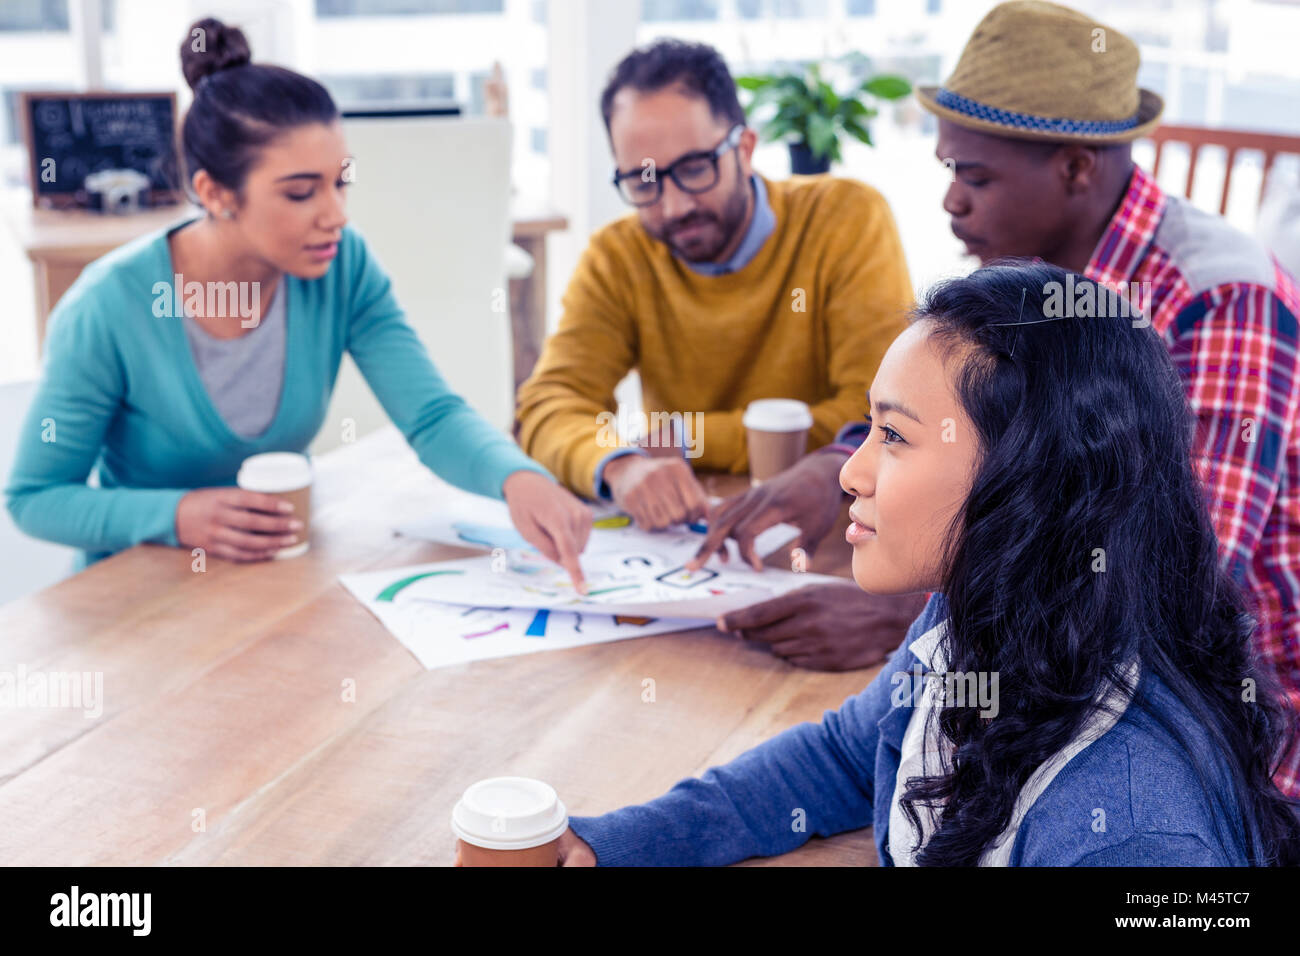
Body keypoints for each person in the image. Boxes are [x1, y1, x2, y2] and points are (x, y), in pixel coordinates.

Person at [697, 0, 1300, 805]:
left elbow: (1171, 578)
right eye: (949, 171)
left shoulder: (1221, 299)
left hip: (1226, 722)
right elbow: (955, 399)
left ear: (1077, 168)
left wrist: (913, 618)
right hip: (1044, 669)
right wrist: (842, 459)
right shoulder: (1032, 280)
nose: (951, 203)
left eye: (975, 177)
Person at [549, 264, 1300, 866]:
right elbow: (842, 756)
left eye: (896, 438)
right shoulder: (982, 615)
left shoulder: (1128, 831)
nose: (852, 473)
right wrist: (613, 843)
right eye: (868, 429)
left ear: (1025, 477)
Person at [4, 18, 591, 587]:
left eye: (341, 183)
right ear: (214, 192)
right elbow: (34, 497)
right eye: (301, 192)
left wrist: (519, 478)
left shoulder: (343, 265)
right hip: (136, 599)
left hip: (273, 583)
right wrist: (177, 516)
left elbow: (431, 415)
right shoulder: (107, 309)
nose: (335, 214)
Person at [514, 39, 912, 531]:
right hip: (687, 537)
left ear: (744, 150)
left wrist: (684, 437)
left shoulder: (846, 218)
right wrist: (619, 465)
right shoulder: (617, 257)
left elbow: (872, 415)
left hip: (832, 526)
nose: (674, 207)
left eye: (695, 169)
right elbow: (548, 404)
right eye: (643, 183)